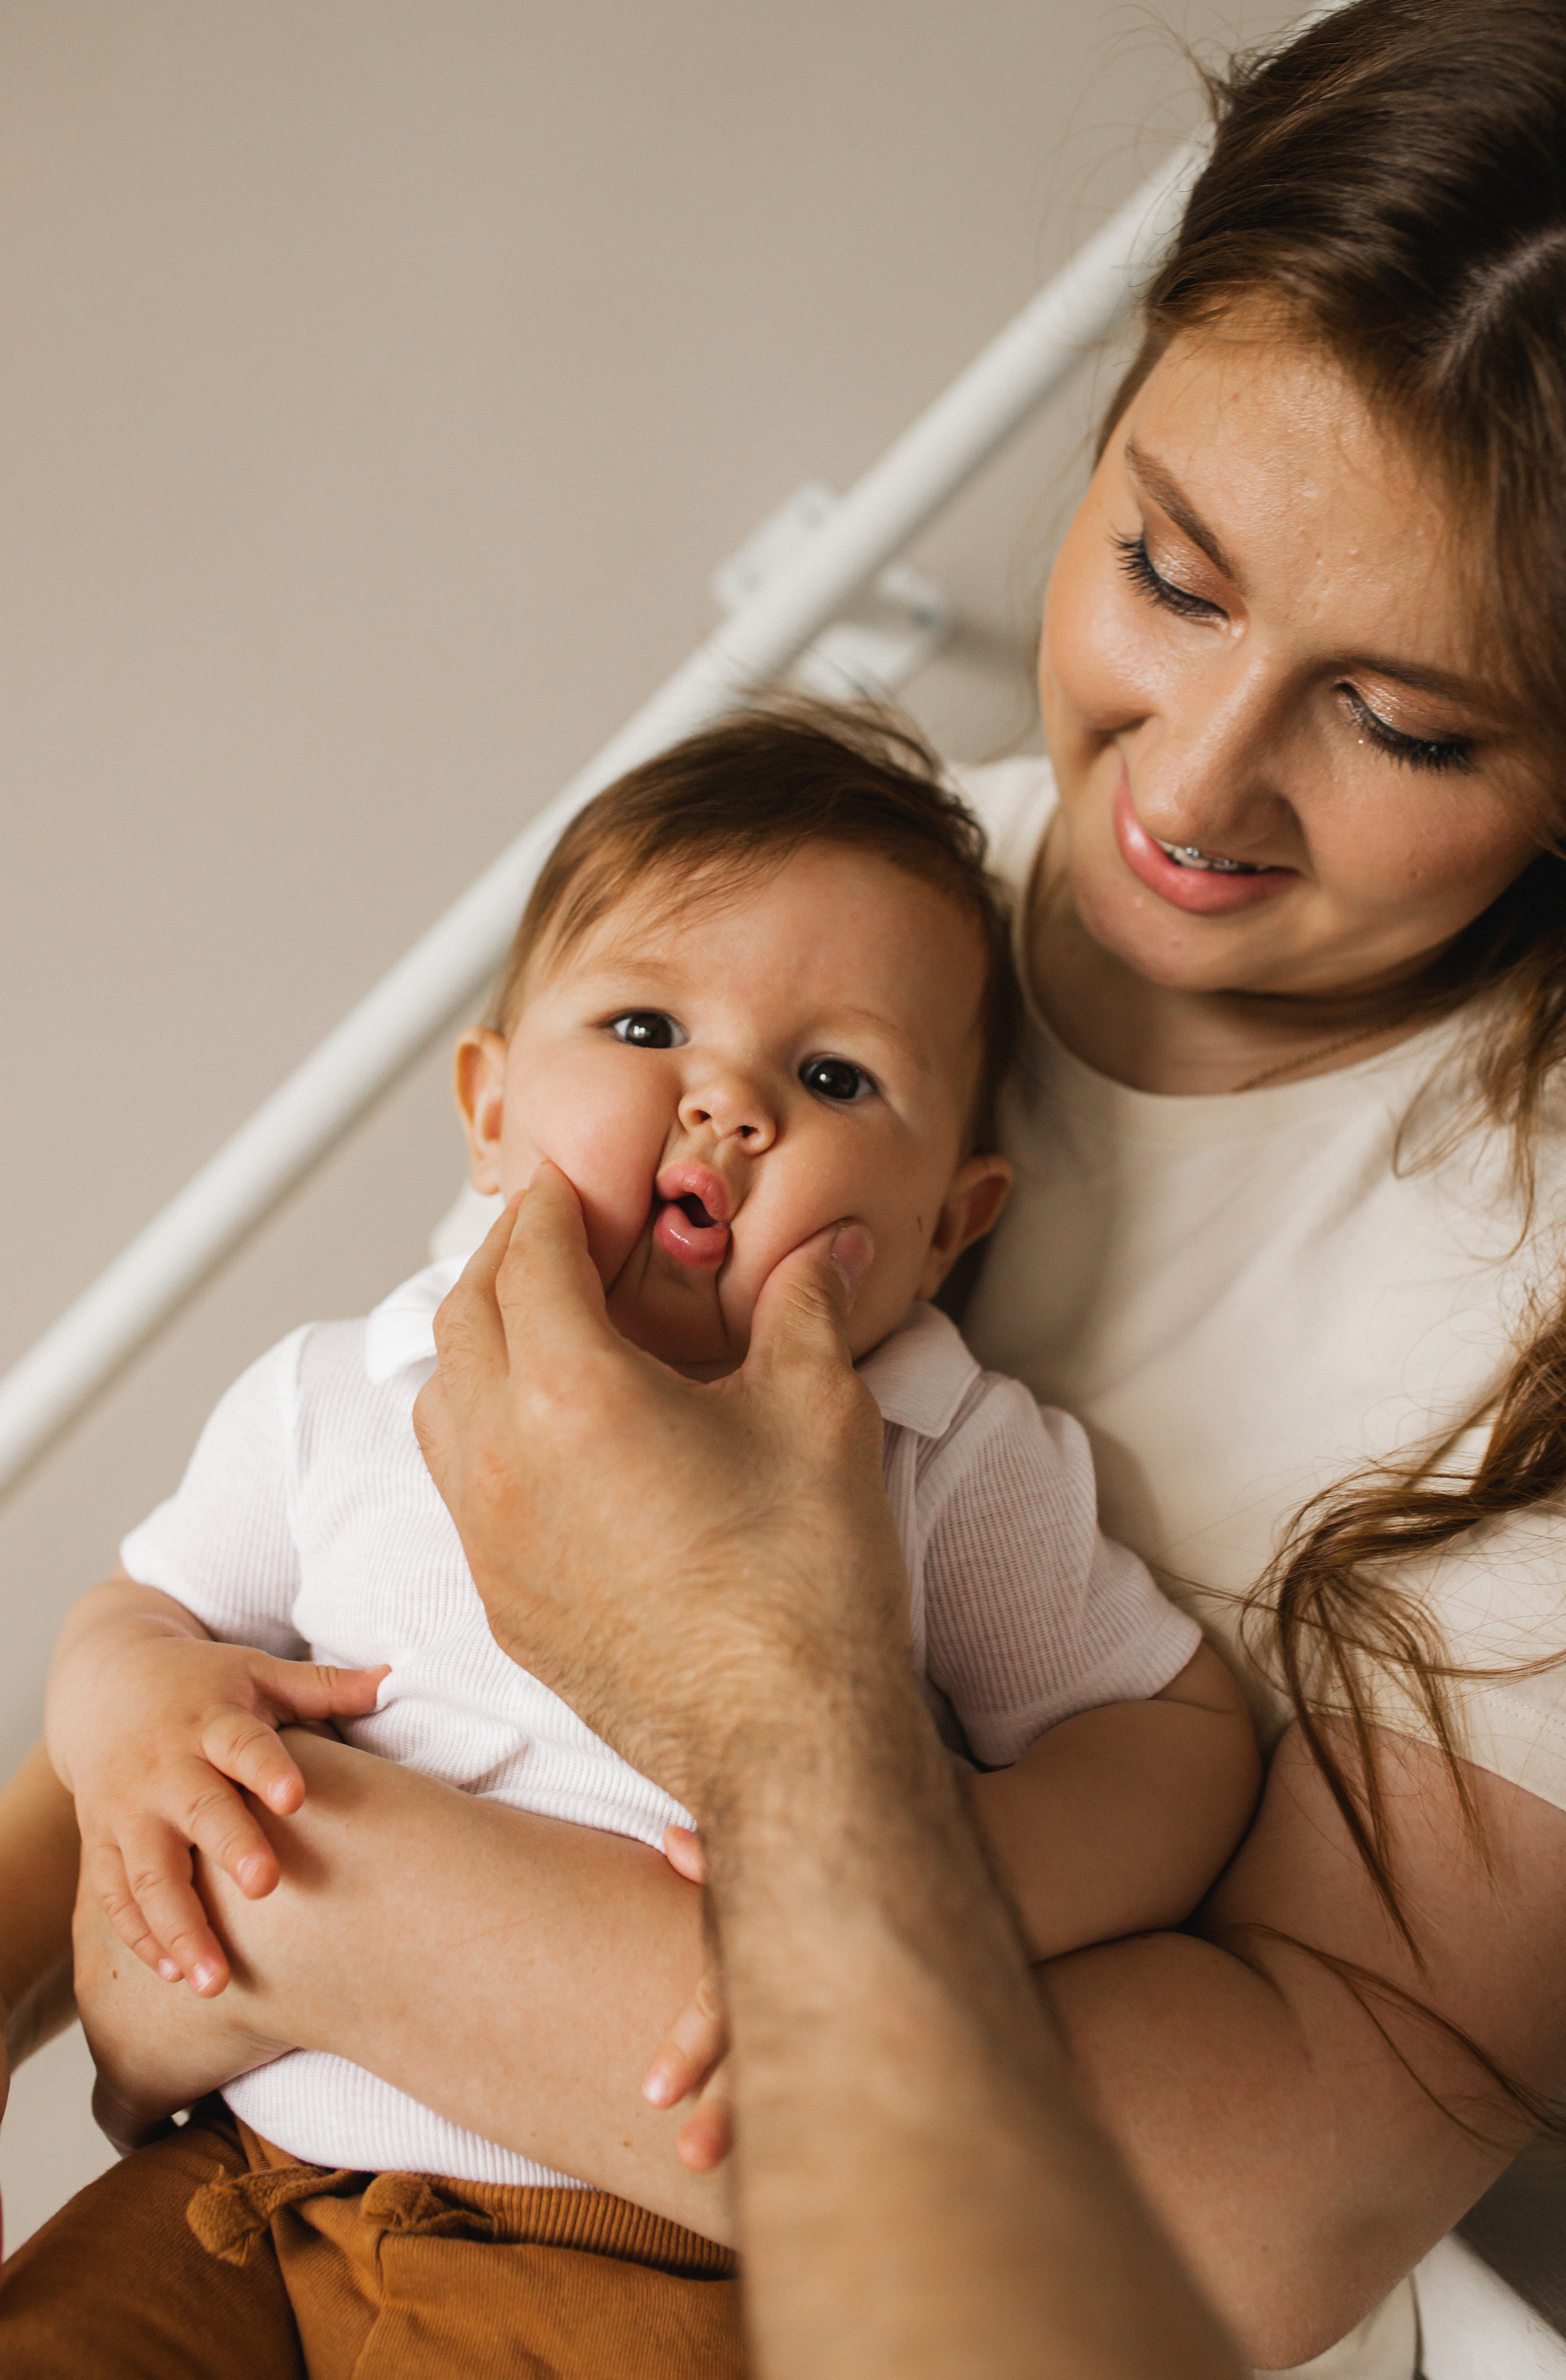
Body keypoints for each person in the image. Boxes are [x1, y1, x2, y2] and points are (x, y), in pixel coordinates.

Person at [10, 0, 1566, 2372]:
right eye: (1168, 569)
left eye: (1403, 720)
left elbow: (1226, 2221)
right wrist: (136, 1822)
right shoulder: (849, 920)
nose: (1189, 788)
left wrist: (270, 1926)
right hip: (286, 2187)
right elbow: (299, 1579)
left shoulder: (1500, 1296)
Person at [10, 707, 1256, 2372]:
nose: (725, 1100)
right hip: (242, 2177)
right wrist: (138, 1715)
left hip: (632, 2269)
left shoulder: (936, 1447)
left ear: (947, 1229)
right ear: (489, 1108)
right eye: (646, 1023)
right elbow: (141, 1612)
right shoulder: (341, 1390)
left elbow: (1173, 1737)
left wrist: (945, 1881)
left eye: (835, 1077)